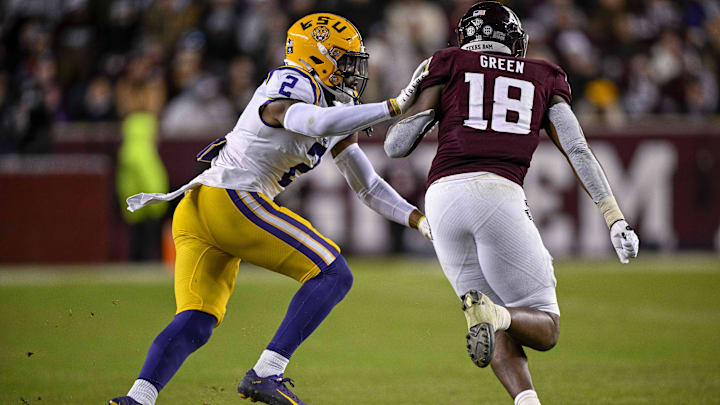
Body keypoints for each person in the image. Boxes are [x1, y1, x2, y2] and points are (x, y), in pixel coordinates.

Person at [109, 13, 431, 405]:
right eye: (345, 61)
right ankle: (267, 372)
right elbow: (309, 120)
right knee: (332, 274)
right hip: (232, 199)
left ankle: (135, 400)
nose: (353, 72)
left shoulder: (333, 107)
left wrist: (417, 219)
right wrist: (393, 106)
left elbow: (369, 186)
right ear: (317, 57)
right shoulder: (293, 82)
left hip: (202, 207)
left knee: (197, 319)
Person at [384, 2, 640, 405]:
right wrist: (614, 216)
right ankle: (499, 316)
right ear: (515, 40)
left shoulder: (448, 62)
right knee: (544, 326)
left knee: (486, 313)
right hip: (497, 194)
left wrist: (420, 98)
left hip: (442, 199)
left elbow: (395, 146)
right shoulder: (543, 74)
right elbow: (577, 148)